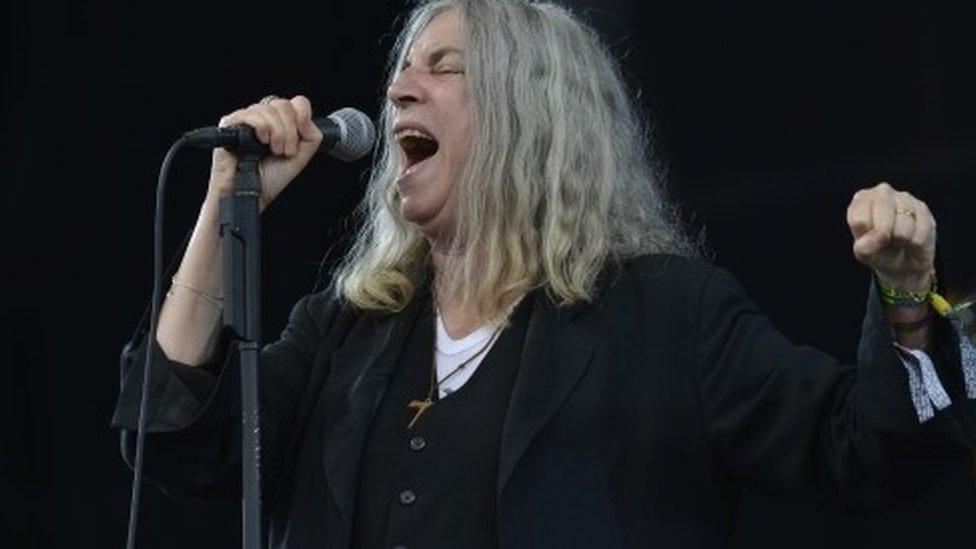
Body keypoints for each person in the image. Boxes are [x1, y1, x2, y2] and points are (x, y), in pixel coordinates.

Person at [112, 1, 976, 547]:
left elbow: (862, 453)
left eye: (442, 67)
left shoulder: (668, 318)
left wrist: (905, 299)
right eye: (402, 69)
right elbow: (174, 431)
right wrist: (227, 200)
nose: (399, 89)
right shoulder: (348, 334)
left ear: (535, 112)